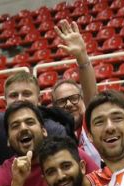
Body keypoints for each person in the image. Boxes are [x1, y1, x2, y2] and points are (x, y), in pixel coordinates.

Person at [0, 101, 99, 186]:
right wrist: (17, 184)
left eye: (29, 122)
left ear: (44, 131)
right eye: (15, 126)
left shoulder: (71, 154)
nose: (23, 128)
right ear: (8, 140)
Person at [48, 21, 101, 164]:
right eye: (61, 101)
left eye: (74, 98)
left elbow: (91, 94)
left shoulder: (91, 122)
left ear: (82, 99)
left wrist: (82, 56)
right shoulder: (52, 133)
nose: (69, 104)